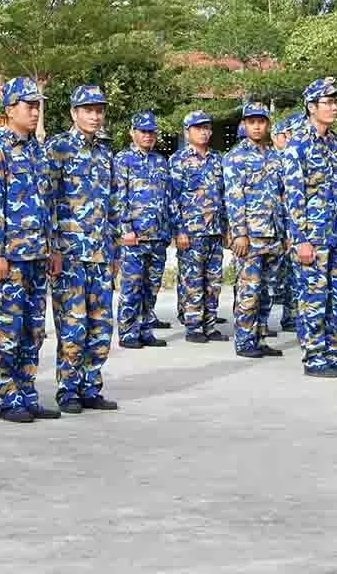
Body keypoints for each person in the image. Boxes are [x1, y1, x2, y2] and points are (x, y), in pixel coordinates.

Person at [0, 77, 58, 423]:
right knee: (8, 332)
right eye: (29, 105)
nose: (35, 111)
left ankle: (27, 392)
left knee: (33, 331)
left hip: (38, 255)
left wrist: (52, 247)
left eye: (38, 105)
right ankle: (8, 398)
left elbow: (47, 204)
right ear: (10, 109)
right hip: (9, 258)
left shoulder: (40, 152)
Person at [44, 84, 125, 412]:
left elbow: (114, 204)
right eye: (88, 110)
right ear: (74, 113)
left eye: (99, 109)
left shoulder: (105, 153)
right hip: (71, 253)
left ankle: (91, 386)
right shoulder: (58, 148)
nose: (94, 115)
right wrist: (53, 248)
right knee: (73, 324)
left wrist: (116, 250)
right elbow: (46, 200)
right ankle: (68, 389)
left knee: (101, 323)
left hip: (101, 253)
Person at [279, 79, 337, 377]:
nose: (334, 107)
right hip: (313, 236)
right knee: (313, 298)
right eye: (328, 102)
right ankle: (314, 358)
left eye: (336, 102)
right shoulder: (298, 144)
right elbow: (293, 196)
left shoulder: (335, 142)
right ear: (312, 107)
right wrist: (300, 239)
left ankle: (332, 353)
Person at [221, 102, 285, 355]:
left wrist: (285, 233)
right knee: (249, 291)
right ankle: (245, 341)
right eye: (252, 121)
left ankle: (260, 337)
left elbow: (282, 196)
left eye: (261, 121)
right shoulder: (235, 157)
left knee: (268, 291)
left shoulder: (274, 156)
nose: (257, 126)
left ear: (268, 124)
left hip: (274, 234)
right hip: (251, 235)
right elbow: (234, 197)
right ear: (244, 125)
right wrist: (240, 233)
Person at [161, 111, 225, 351]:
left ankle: (210, 324)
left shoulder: (217, 159)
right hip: (191, 231)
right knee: (192, 280)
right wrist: (179, 230)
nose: (204, 132)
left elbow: (223, 195)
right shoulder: (178, 160)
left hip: (215, 230)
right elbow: (172, 198)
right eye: (198, 128)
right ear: (187, 132)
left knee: (213, 281)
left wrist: (226, 227)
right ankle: (194, 326)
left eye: (207, 127)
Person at [116, 110, 174, 347]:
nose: (148, 136)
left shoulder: (160, 161)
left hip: (157, 236)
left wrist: (169, 228)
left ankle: (146, 329)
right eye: (143, 131)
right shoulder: (123, 160)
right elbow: (119, 196)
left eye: (152, 132)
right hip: (135, 236)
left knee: (151, 287)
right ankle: (128, 332)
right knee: (132, 285)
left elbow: (167, 197)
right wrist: (126, 228)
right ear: (133, 133)